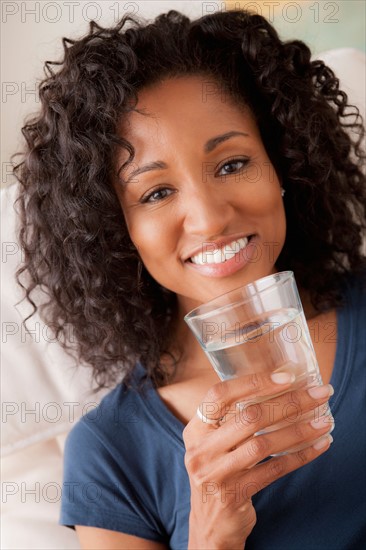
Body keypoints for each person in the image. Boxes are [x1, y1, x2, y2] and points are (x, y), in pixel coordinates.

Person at [13, 9, 366, 550]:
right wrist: (211, 530)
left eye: (231, 164)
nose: (209, 218)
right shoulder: (111, 452)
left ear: (283, 166)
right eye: (155, 193)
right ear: (115, 229)